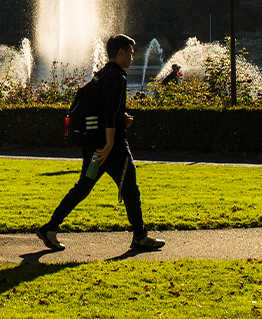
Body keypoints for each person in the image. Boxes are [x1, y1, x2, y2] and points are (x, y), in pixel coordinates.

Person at [36, 33, 165, 253]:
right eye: (131, 53)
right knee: (130, 188)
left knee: (83, 188)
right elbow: (110, 113)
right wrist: (110, 143)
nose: (132, 58)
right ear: (121, 52)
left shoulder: (102, 74)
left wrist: (118, 122)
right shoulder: (117, 77)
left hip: (94, 144)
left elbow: (105, 110)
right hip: (111, 148)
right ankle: (140, 237)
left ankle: (50, 228)